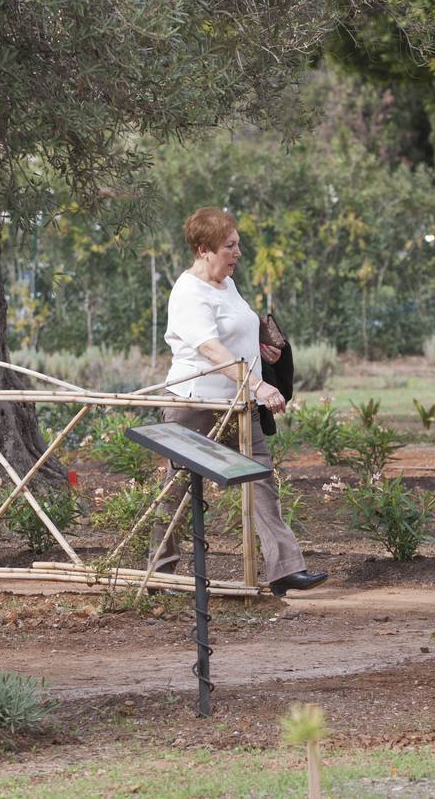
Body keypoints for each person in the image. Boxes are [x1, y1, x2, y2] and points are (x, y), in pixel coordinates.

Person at [152, 207, 329, 597]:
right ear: (204, 249)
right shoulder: (188, 292)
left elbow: (236, 333)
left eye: (238, 245)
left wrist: (263, 353)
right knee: (178, 489)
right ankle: (159, 573)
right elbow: (213, 351)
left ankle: (285, 568)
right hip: (195, 406)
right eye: (229, 246)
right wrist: (260, 387)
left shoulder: (226, 284)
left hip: (239, 404)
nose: (238, 253)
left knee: (262, 481)